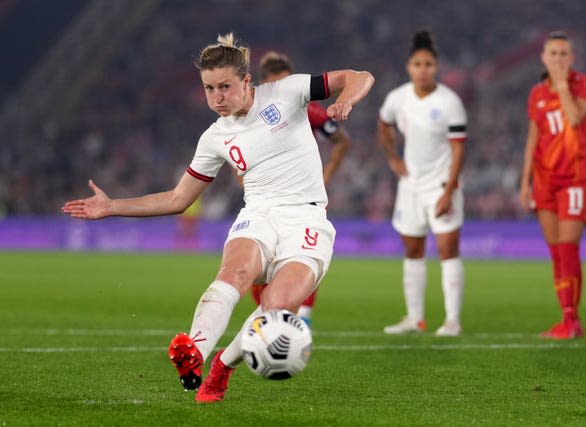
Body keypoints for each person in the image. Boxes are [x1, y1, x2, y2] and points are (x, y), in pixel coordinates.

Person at [61, 33, 374, 402]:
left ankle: (222, 368)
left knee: (277, 308)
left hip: (307, 220)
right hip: (257, 214)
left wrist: (345, 101)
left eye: (224, 86)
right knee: (234, 272)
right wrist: (113, 206)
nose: (217, 97)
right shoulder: (214, 139)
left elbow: (360, 75)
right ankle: (194, 350)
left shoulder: (287, 92)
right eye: (209, 89)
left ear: (246, 81)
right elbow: (178, 198)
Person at [248, 51, 352, 326]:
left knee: (305, 253)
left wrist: (324, 175)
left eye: (286, 83)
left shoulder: (310, 111)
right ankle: (267, 316)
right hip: (267, 197)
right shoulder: (251, 114)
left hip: (304, 197)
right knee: (261, 257)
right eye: (275, 84)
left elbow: (342, 141)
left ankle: (301, 318)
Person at [378, 30, 467, 337]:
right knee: (413, 249)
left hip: (441, 184)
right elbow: (384, 122)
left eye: (428, 64)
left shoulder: (450, 102)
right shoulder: (397, 98)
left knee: (447, 248)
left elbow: (458, 149)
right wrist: (392, 157)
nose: (423, 69)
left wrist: (450, 190)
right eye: (418, 64)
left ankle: (452, 321)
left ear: (436, 66)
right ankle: (415, 320)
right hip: (410, 185)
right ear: (409, 66)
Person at [519, 31, 586, 340]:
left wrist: (562, 84)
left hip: (575, 179)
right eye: (553, 54)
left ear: (572, 58)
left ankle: (572, 321)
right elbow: (532, 139)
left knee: (568, 249)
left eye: (564, 54)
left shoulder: (584, 84)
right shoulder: (536, 93)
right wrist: (524, 182)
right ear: (543, 58)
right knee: (556, 252)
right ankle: (566, 319)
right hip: (544, 181)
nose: (559, 59)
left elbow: (576, 118)